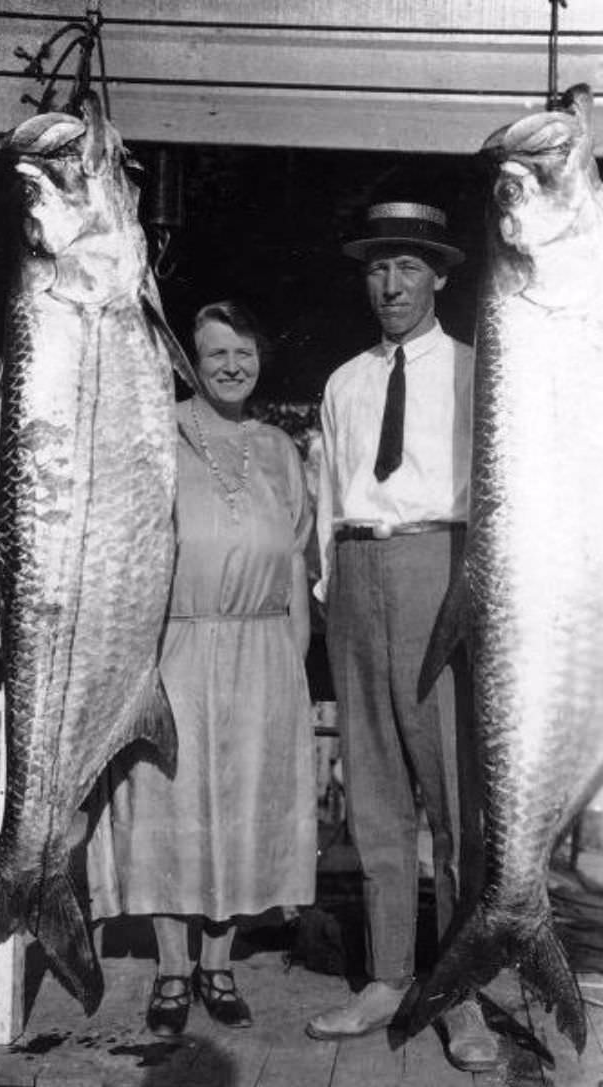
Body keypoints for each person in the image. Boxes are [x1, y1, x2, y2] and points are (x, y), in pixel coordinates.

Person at [304, 193, 499, 1072]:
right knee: (375, 789)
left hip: (442, 568)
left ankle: (457, 992)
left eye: (408, 266)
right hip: (357, 572)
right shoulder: (345, 382)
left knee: (455, 798)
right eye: (378, 267)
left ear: (441, 276)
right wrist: (326, 582)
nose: (391, 283)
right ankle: (386, 977)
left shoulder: (476, 369)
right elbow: (325, 498)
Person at [87, 300, 316, 1035]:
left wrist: (293, 666)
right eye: (215, 352)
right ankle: (172, 969)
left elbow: (299, 564)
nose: (231, 366)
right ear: (191, 357)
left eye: (243, 352)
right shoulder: (160, 433)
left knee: (246, 808)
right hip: (176, 647)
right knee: (166, 803)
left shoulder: (280, 448)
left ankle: (219, 961)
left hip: (264, 652)